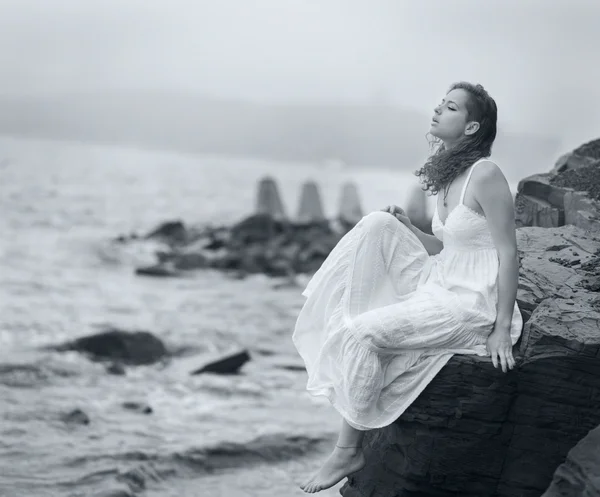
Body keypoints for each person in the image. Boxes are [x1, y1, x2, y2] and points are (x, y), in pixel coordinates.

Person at [292, 82, 523, 494]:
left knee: (362, 336)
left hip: (474, 302)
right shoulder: (452, 174)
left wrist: (501, 327)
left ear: (471, 128)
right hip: (442, 279)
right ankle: (350, 314)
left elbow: (508, 253)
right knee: (380, 223)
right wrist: (410, 230)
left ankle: (348, 450)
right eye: (440, 104)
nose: (437, 111)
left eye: (450, 107)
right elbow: (449, 247)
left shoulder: (485, 174)